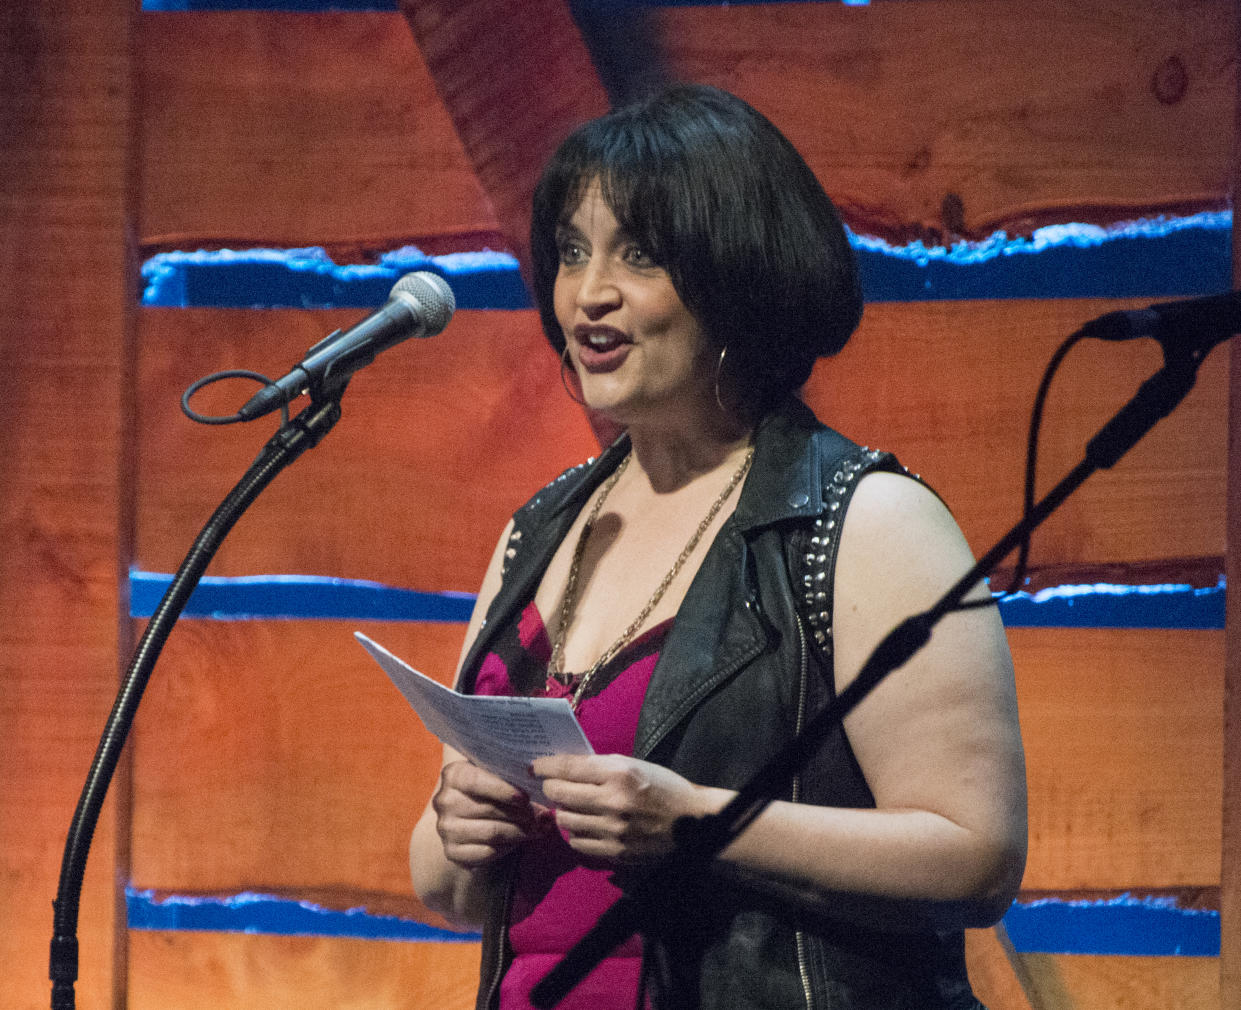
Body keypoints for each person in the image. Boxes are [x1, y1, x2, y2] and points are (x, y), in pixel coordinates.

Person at [410, 83, 1027, 1010]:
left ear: (739, 277)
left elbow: (976, 858)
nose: (588, 294)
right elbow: (447, 889)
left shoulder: (859, 520)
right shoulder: (537, 531)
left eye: (640, 255)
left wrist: (695, 821)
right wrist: (456, 831)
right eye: (571, 253)